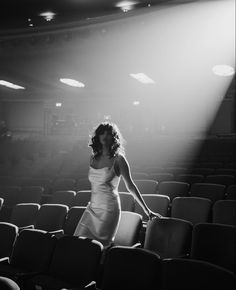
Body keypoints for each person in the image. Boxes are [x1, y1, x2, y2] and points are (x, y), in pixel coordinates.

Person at [73, 122, 162, 247]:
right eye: (102, 133)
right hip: (92, 208)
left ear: (114, 138)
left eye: (109, 134)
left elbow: (130, 186)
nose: (105, 136)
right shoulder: (93, 158)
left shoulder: (119, 159)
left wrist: (147, 210)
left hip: (109, 209)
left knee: (100, 248)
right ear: (97, 136)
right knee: (78, 242)